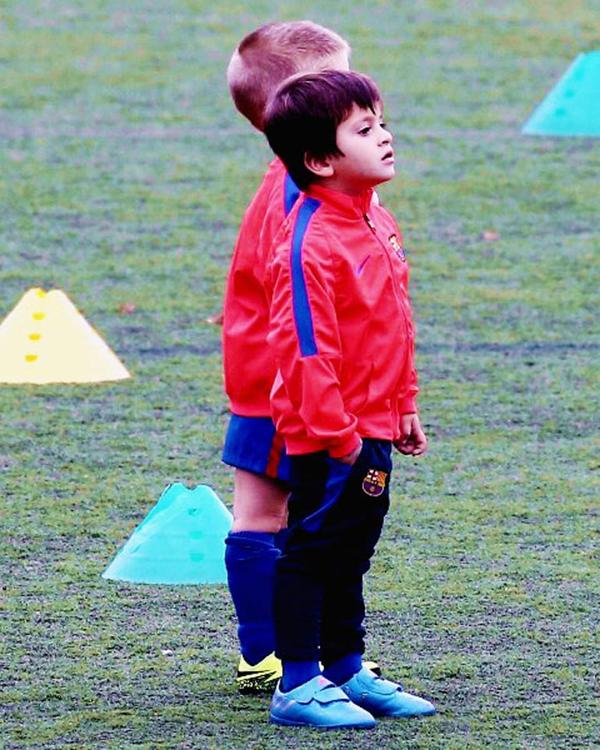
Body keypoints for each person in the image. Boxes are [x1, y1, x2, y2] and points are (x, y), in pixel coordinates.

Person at [262, 70, 436, 728]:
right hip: (332, 436)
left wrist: (404, 403)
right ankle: (298, 683)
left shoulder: (376, 218)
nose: (386, 137)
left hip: (374, 425)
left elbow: (395, 320)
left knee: (351, 551)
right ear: (319, 160)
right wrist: (342, 443)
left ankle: (344, 668)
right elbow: (307, 353)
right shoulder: (311, 244)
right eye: (364, 131)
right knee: (313, 551)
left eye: (382, 123)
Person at [221, 21, 357, 693]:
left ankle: (271, 650)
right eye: (338, 82)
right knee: (277, 516)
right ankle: (274, 653)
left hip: (263, 366)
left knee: (270, 512)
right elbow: (298, 288)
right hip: (289, 378)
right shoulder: (302, 190)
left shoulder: (286, 174)